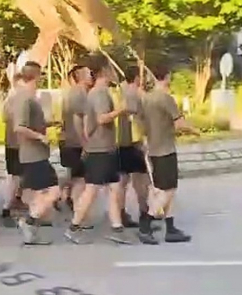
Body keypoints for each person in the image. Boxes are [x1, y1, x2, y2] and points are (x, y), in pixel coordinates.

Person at [65, 55, 132, 245]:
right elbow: (102, 118)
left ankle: (117, 228)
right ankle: (73, 227)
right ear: (104, 70)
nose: (113, 72)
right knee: (92, 189)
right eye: (110, 68)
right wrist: (121, 110)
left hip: (105, 148)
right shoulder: (99, 94)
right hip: (100, 149)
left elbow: (87, 122)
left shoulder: (96, 92)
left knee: (114, 187)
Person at [139, 65, 197, 243]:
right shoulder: (166, 98)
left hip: (154, 148)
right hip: (166, 150)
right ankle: (146, 224)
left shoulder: (146, 99)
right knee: (166, 191)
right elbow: (180, 124)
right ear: (167, 76)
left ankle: (170, 228)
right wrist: (194, 131)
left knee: (170, 190)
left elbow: (142, 124)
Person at [14, 62, 61, 245]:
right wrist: (40, 137)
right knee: (54, 191)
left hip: (36, 153)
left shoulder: (30, 98)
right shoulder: (25, 98)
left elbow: (31, 124)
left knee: (39, 193)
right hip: (33, 154)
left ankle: (32, 231)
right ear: (36, 76)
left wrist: (50, 125)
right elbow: (19, 127)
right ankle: (29, 221)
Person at [117, 66, 158, 242]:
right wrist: (142, 140)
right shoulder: (134, 94)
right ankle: (144, 214)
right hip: (133, 142)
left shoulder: (119, 90)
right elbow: (135, 117)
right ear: (136, 78)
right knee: (141, 180)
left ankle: (120, 214)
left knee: (122, 181)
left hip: (120, 141)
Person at [59, 65, 92, 212]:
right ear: (80, 76)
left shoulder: (75, 93)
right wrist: (84, 142)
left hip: (70, 139)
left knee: (75, 173)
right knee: (80, 177)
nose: (91, 75)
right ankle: (77, 209)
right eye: (88, 73)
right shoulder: (79, 94)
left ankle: (64, 196)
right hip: (74, 140)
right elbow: (78, 119)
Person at [0, 72, 25, 228]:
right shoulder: (16, 100)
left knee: (19, 176)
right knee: (15, 177)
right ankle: (6, 208)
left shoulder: (9, 100)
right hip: (16, 144)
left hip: (13, 143)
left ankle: (17, 199)